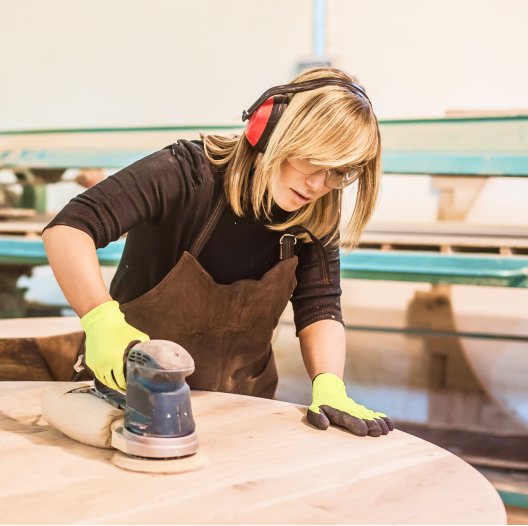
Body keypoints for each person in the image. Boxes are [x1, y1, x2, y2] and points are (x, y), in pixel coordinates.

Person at [42, 67, 394, 438]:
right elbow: (70, 227)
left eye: (338, 173)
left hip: (240, 414)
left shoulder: (315, 214)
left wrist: (329, 384)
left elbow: (320, 306)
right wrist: (100, 321)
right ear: (272, 129)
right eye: (313, 161)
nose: (319, 184)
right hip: (128, 405)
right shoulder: (188, 173)